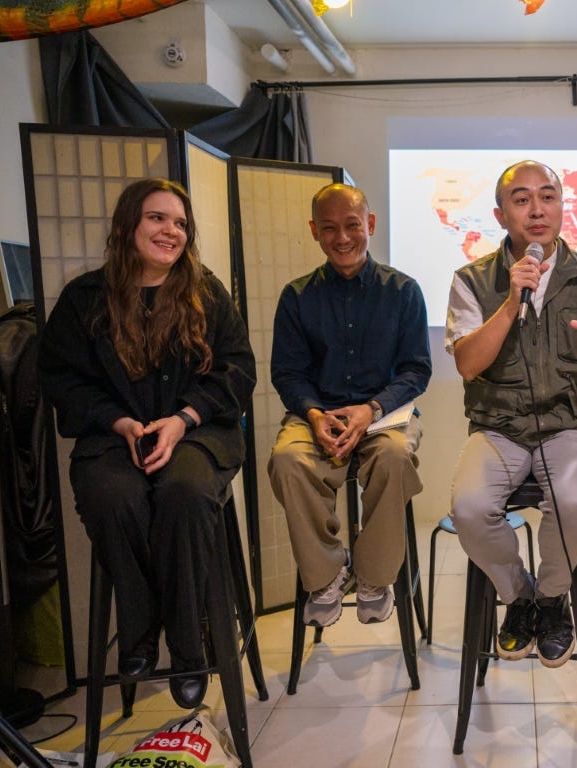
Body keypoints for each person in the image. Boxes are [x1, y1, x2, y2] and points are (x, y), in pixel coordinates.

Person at [39, 178, 256, 710]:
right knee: (116, 500)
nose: (171, 231)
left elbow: (238, 370)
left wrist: (183, 418)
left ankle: (186, 648)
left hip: (197, 431)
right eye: (158, 218)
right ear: (127, 226)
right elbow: (62, 380)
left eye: (180, 223)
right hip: (116, 437)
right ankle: (138, 634)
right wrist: (119, 423)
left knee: (183, 493)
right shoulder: (84, 299)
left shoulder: (204, 292)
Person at [446, 160, 577, 668]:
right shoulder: (471, 280)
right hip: (498, 427)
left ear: (561, 205)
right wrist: (510, 302)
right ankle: (519, 597)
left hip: (572, 426)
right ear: (500, 212)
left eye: (547, 196)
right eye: (522, 198)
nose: (537, 209)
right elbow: (468, 364)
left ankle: (553, 600)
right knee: (469, 508)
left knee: (573, 503)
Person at [268, 183, 431, 628]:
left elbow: (417, 371)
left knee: (395, 457)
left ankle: (375, 576)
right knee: (286, 459)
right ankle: (326, 573)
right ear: (314, 232)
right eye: (329, 228)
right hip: (316, 414)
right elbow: (287, 373)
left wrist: (371, 410)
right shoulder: (297, 297)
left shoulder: (403, 292)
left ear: (370, 225)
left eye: (352, 226)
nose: (342, 238)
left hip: (384, 416)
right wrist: (316, 415)